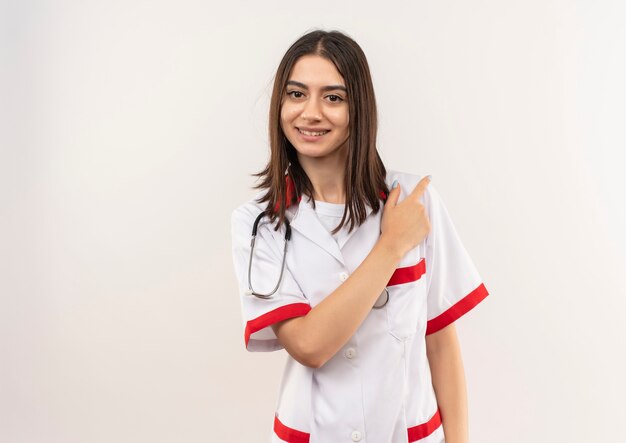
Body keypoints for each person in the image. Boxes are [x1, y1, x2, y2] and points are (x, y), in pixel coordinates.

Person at [230, 29, 489, 443]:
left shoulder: (414, 202)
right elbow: (309, 346)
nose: (310, 113)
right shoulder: (260, 224)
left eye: (333, 97)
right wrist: (391, 246)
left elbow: (439, 341)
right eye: (297, 94)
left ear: (359, 108)